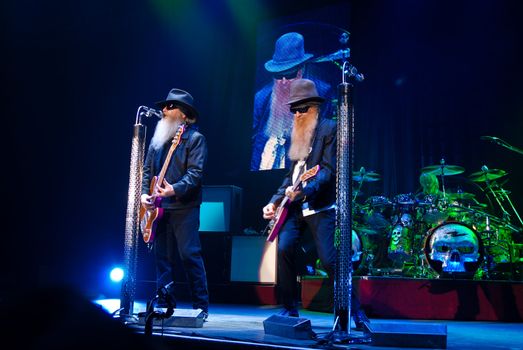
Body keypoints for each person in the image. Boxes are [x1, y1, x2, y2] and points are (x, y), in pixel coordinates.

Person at [261, 78, 369, 329]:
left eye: (302, 109)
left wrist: (306, 191)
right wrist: (274, 202)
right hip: (293, 206)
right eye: (294, 110)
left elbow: (327, 171)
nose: (297, 114)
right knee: (284, 249)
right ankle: (289, 309)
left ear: (315, 108)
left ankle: (356, 311)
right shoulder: (294, 135)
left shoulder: (329, 129)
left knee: (330, 261)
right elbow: (290, 177)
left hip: (319, 204)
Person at [141, 88, 209, 319]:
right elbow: (147, 171)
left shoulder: (195, 140)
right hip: (158, 208)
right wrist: (143, 195)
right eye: (164, 106)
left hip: (184, 206)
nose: (164, 110)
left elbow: (195, 174)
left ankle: (200, 305)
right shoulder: (157, 140)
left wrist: (173, 189)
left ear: (184, 114)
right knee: (162, 258)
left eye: (170, 106)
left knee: (189, 254)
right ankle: (163, 301)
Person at [251, 32, 335, 171]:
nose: (283, 82)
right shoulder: (261, 97)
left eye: (289, 74)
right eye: (278, 75)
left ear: (301, 70)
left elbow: (323, 140)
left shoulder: (321, 93)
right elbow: (254, 140)